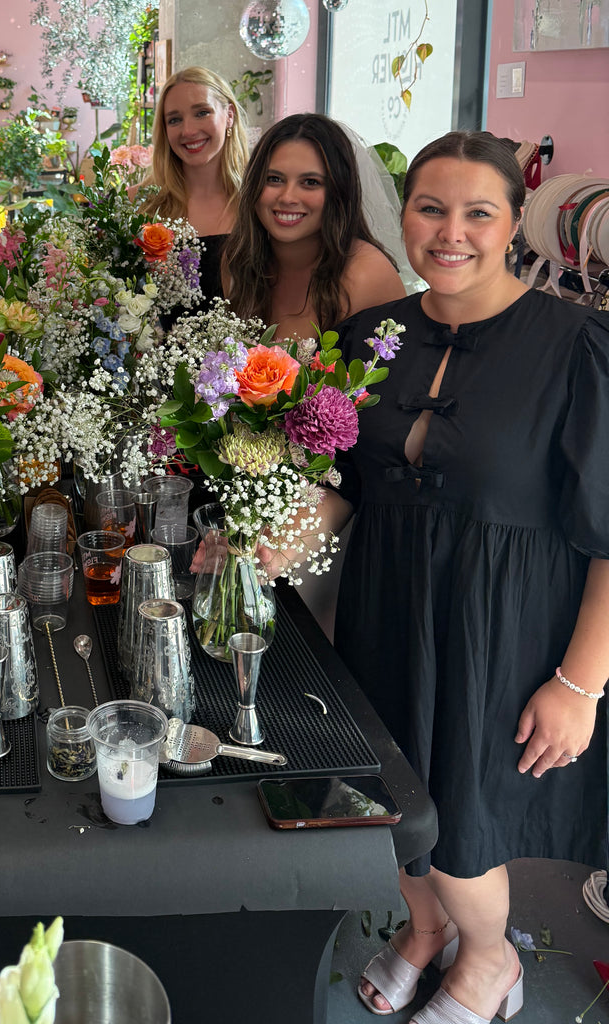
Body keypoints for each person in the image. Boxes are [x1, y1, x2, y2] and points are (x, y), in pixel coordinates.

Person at [261, 131, 609, 1023]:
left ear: (512, 225)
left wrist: (581, 683)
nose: (450, 231)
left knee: (464, 830)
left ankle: (491, 959)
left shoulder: (577, 346)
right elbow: (347, 485)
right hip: (386, 602)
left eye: (477, 212)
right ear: (402, 215)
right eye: (430, 208)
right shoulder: (369, 335)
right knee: (390, 802)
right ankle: (425, 934)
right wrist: (280, 540)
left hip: (506, 625)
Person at [223, 112, 405, 338]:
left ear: (338, 192)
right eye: (274, 179)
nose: (288, 197)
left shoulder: (367, 275)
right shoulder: (237, 261)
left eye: (310, 182)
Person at [144, 66, 250, 300]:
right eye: (175, 120)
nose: (189, 130)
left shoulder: (259, 201)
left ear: (229, 115)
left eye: (202, 113)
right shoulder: (141, 204)